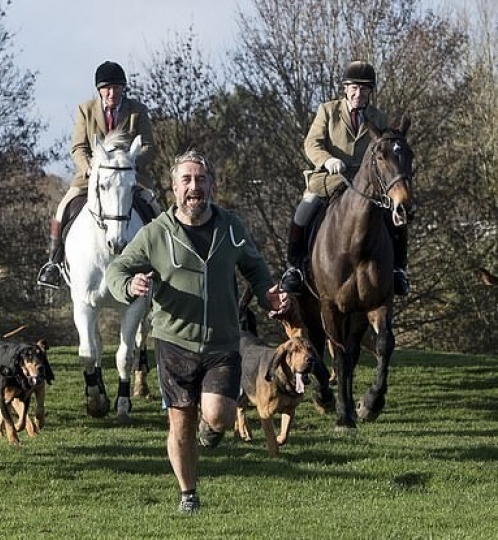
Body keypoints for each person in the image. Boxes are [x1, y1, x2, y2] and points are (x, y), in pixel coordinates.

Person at [106, 150, 288, 514]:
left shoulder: (230, 226)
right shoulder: (156, 233)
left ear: (211, 185)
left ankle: (213, 429)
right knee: (180, 422)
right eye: (186, 180)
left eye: (201, 180)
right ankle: (188, 494)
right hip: (174, 342)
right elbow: (117, 270)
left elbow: (254, 266)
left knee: (219, 415)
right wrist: (130, 286)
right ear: (174, 188)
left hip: (223, 341)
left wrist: (269, 293)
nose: (194, 187)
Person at [279, 60, 409, 296]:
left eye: (364, 89)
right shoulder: (328, 111)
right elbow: (312, 143)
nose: (359, 93)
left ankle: (399, 269)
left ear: (370, 92)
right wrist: (327, 160)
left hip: (366, 184)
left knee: (395, 216)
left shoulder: (378, 118)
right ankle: (294, 268)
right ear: (346, 89)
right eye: (355, 88)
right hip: (329, 179)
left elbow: (386, 151)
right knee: (303, 210)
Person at [36, 60, 159, 289]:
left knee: (154, 208)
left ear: (123, 88)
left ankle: (160, 263)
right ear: (99, 90)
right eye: (107, 88)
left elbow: (149, 147)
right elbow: (78, 148)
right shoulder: (86, 109)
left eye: (116, 87)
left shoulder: (137, 111)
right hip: (92, 176)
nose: (111, 93)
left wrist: (131, 162)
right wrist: (89, 167)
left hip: (128, 175)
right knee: (63, 207)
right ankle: (53, 262)